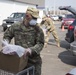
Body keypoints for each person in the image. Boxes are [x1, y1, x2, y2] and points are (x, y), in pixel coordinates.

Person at [3, 7, 44, 75]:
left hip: (33, 61)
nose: (35, 20)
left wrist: (31, 50)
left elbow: (40, 43)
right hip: (20, 60)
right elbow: (7, 35)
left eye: (36, 18)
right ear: (27, 16)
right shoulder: (16, 26)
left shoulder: (37, 29)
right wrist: (6, 45)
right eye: (34, 18)